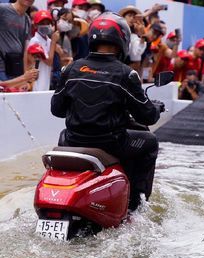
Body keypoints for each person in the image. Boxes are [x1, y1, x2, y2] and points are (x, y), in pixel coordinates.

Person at [51, 12, 165, 211]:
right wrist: (154, 108)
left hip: (72, 141)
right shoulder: (125, 73)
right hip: (110, 143)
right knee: (150, 143)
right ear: (122, 39)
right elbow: (146, 116)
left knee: (62, 134)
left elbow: (57, 110)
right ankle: (136, 206)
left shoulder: (72, 69)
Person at [0, 0, 33, 81]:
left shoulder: (27, 19)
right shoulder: (2, 9)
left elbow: (26, 49)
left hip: (16, 69)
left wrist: (25, 75)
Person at [28, 10, 60, 91]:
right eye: (42, 23)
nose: (45, 26)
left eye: (47, 23)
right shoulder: (34, 41)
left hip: (47, 81)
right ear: (35, 25)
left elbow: (62, 56)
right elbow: (49, 62)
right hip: (36, 84)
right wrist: (53, 42)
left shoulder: (49, 40)